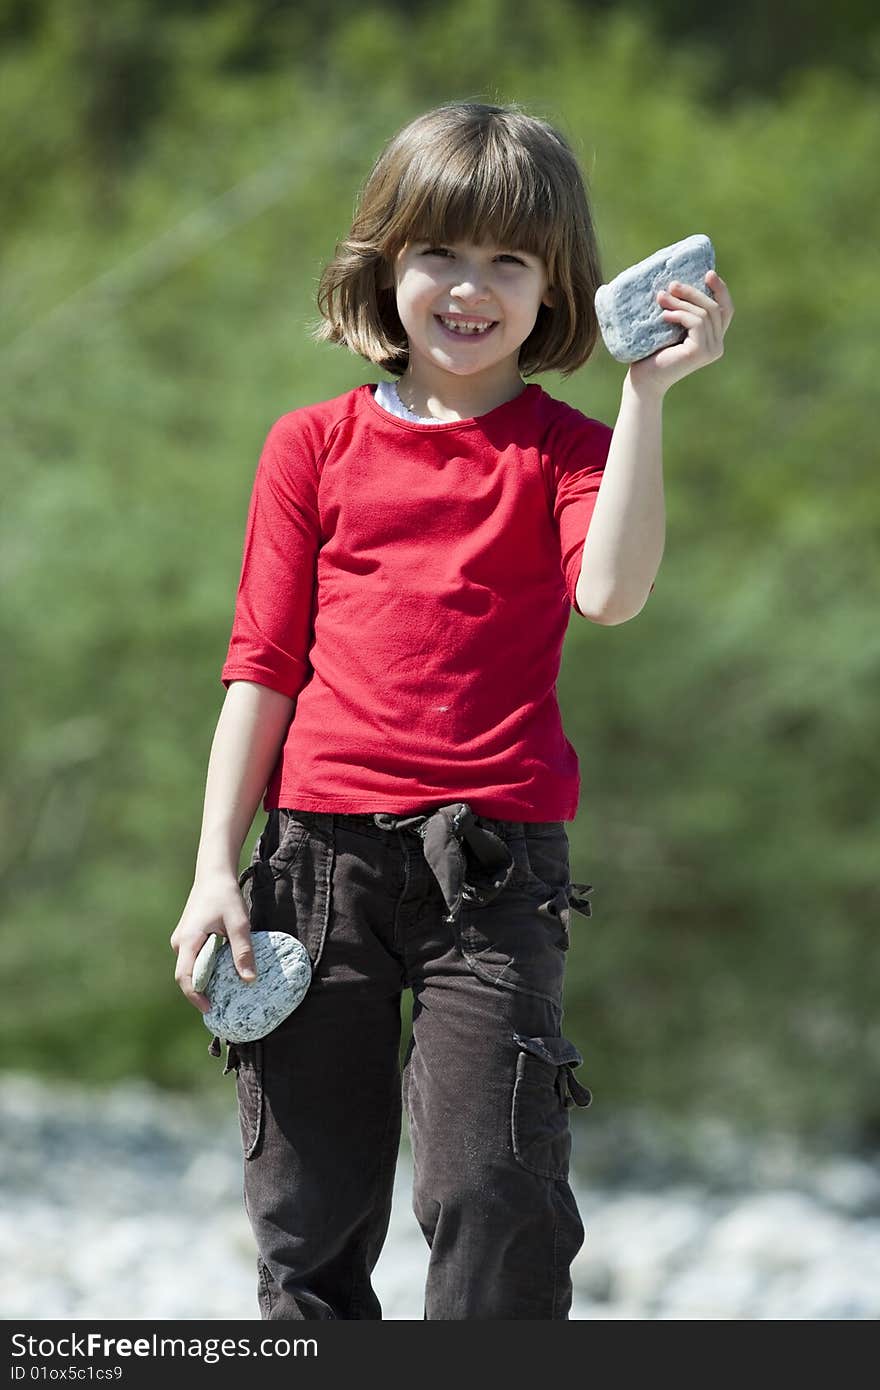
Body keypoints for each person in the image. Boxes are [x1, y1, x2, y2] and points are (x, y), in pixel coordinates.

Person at [170, 100, 734, 1321]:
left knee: (496, 1192)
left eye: (508, 261)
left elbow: (613, 593)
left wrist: (646, 396)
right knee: (307, 1216)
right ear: (387, 263)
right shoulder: (308, 447)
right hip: (313, 864)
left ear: (554, 290)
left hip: (492, 872)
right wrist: (216, 868)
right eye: (440, 251)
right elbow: (260, 667)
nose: (469, 288)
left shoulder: (567, 451)